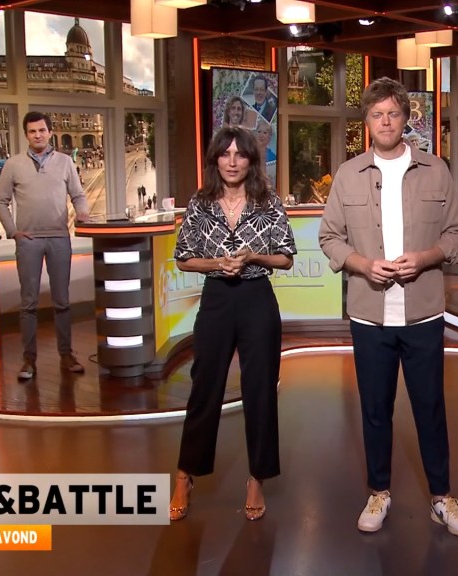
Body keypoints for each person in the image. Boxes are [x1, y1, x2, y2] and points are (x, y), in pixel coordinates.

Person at [319, 77, 458, 538]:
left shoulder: (436, 170)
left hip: (423, 313)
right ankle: (379, 492)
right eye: (376, 114)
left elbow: (456, 232)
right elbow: (329, 237)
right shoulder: (348, 174)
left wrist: (426, 257)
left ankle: (442, 498)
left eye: (392, 113)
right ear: (366, 122)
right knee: (374, 409)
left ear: (406, 118)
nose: (385, 122)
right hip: (369, 316)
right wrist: (363, 264)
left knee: (430, 407)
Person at [168, 126, 296, 523]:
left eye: (240, 154)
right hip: (217, 299)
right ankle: (185, 475)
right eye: (225, 154)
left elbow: (286, 257)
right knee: (205, 387)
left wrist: (254, 256)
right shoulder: (200, 203)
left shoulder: (268, 202)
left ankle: (257, 477)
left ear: (251, 161)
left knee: (261, 389)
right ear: (216, 160)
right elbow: (183, 258)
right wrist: (215, 264)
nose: (233, 161)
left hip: (257, 300)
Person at [0, 111, 90, 380]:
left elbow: (78, 195)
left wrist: (82, 212)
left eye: (42, 130)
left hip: (59, 238)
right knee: (29, 303)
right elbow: (0, 200)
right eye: (32, 131)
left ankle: (66, 354)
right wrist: (13, 232)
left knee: (62, 301)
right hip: (29, 242)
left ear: (50, 132)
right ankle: (29, 360)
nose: (37, 135)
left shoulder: (65, 162)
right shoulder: (13, 164)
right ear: (27, 135)